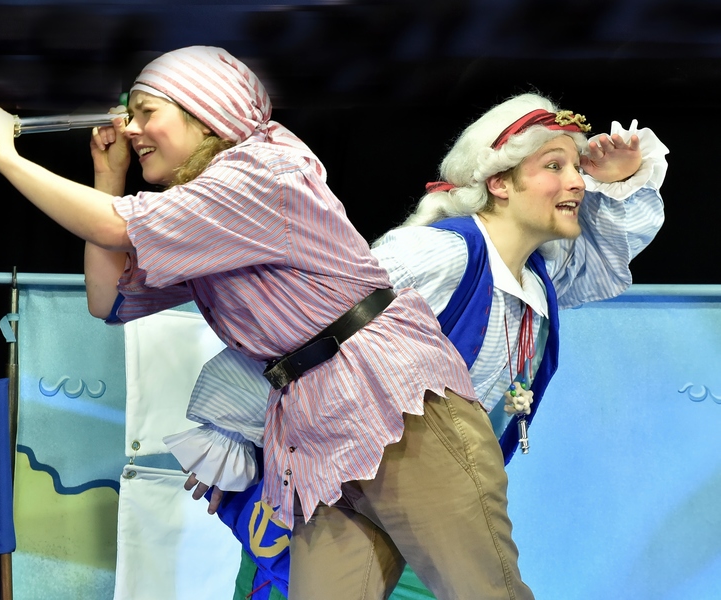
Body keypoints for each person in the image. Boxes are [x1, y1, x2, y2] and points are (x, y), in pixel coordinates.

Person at [0, 46, 537, 599]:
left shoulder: (262, 168)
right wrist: (107, 178)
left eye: (147, 111)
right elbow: (107, 300)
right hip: (316, 433)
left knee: (483, 593)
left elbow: (114, 227)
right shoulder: (206, 215)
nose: (131, 129)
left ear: (205, 112)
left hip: (395, 409)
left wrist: (7, 155)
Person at [170, 92, 667, 598]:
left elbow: (605, 258)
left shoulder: (538, 279)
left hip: (407, 482)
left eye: (576, 168)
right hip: (370, 461)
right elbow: (310, 327)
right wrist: (229, 431)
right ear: (499, 182)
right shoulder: (440, 253)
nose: (577, 181)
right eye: (554, 166)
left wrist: (619, 180)